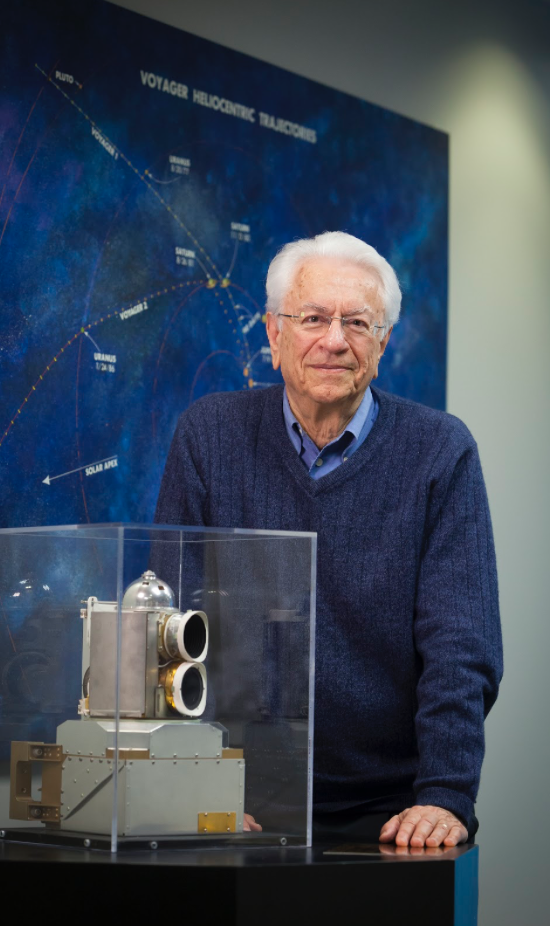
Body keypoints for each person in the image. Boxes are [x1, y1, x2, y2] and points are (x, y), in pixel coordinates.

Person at [154, 231, 503, 847]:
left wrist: (446, 794)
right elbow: (167, 627)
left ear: (384, 341)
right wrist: (191, 782)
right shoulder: (208, 437)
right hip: (235, 799)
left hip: (393, 813)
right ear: (273, 333)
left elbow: (460, 646)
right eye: (313, 318)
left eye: (358, 323)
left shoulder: (441, 452)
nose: (334, 340)